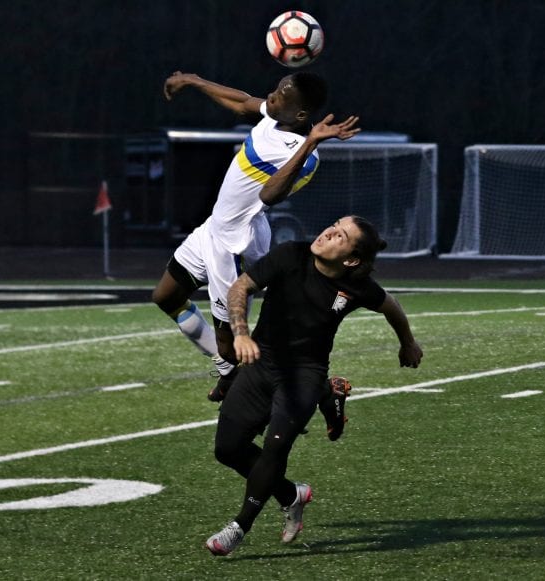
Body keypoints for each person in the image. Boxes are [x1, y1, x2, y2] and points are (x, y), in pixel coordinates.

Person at [204, 215, 423, 556]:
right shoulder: (291, 254)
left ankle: (239, 527)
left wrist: (407, 343)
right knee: (227, 449)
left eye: (342, 235)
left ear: (351, 259)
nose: (330, 231)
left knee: (276, 448)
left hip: (304, 373)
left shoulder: (357, 285)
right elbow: (240, 287)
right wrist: (241, 333)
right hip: (261, 362)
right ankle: (292, 494)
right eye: (335, 225)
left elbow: (390, 306)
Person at [151, 71, 361, 401]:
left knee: (232, 345)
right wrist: (193, 81)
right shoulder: (275, 117)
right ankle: (229, 374)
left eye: (280, 95)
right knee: (166, 296)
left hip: (236, 245)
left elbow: (270, 196)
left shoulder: (306, 157)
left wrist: (309, 144)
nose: (271, 96)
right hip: (213, 228)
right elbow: (242, 102)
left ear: (301, 115)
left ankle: (318, 391)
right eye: (275, 89)